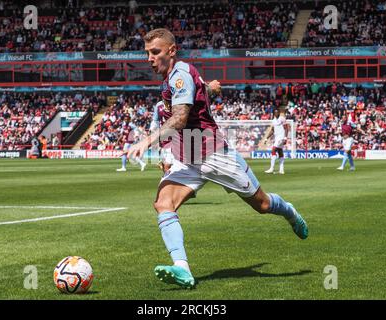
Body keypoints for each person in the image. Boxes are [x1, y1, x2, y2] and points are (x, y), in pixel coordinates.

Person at [127, 28, 308, 289]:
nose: (149, 58)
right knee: (163, 203)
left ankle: (290, 212)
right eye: (147, 53)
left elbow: (179, 118)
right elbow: (198, 95)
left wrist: (146, 141)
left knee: (263, 205)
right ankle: (182, 268)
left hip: (213, 154)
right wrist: (209, 89)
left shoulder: (179, 75)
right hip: (186, 158)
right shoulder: (174, 77)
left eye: (155, 52)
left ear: (171, 51)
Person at [265, 108, 289, 174]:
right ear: (273, 114)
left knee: (273, 149)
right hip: (277, 138)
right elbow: (272, 130)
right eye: (275, 112)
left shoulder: (282, 119)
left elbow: (286, 128)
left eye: (277, 112)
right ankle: (281, 170)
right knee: (280, 151)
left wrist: (285, 138)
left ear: (279, 112)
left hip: (281, 138)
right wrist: (266, 138)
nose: (277, 113)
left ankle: (271, 168)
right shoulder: (273, 120)